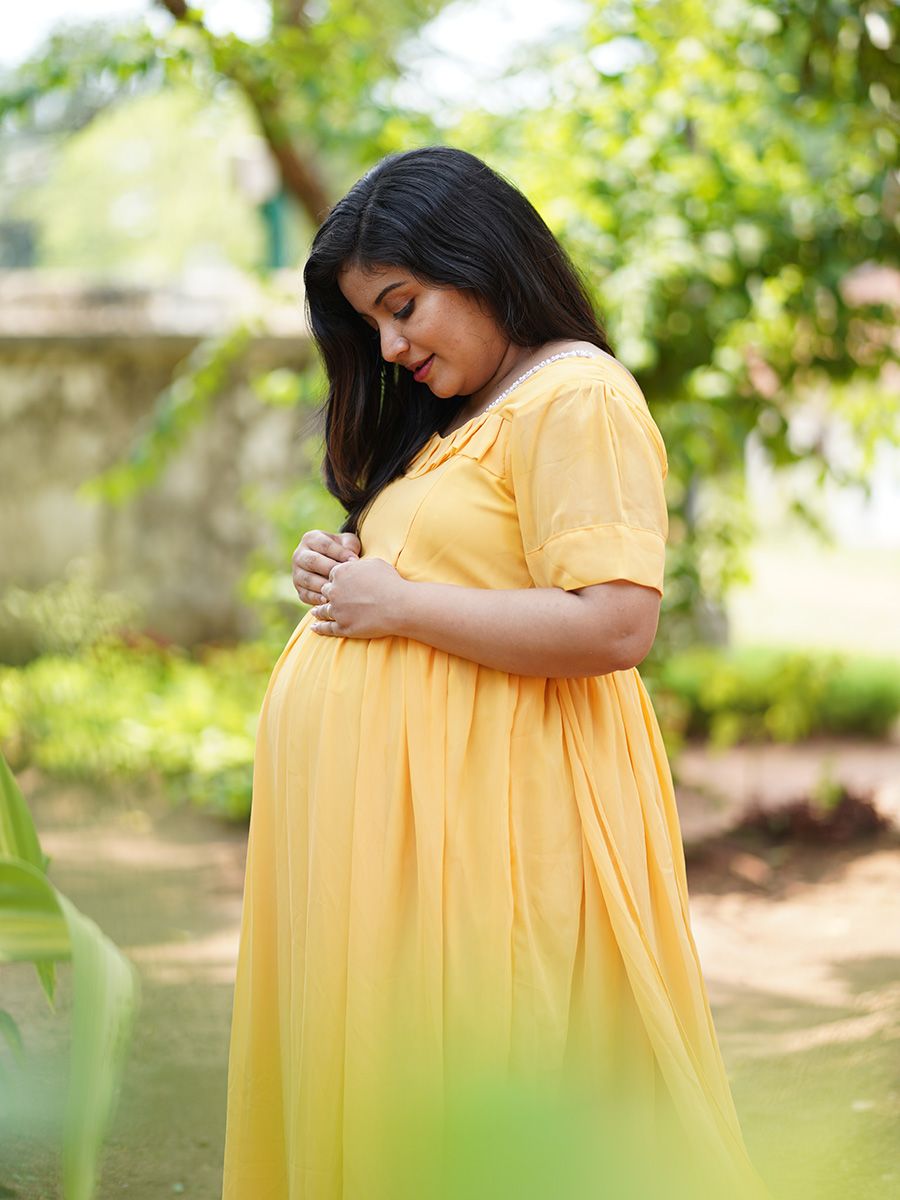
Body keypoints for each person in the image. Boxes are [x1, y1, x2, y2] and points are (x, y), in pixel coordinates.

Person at [221, 146, 767, 1199]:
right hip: (401, 838)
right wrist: (345, 568)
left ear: (477, 257)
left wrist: (402, 602)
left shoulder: (577, 396)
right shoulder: (460, 421)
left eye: (403, 305)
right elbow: (451, 578)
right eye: (372, 324)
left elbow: (615, 623)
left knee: (490, 1085)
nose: (389, 345)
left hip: (499, 830)